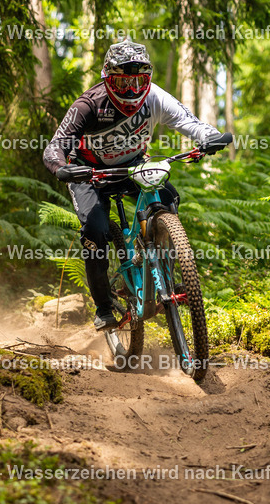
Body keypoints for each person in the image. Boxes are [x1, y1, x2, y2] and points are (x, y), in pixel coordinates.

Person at [43, 39, 227, 330]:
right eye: (123, 82)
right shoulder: (89, 105)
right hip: (89, 172)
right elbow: (56, 145)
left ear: (147, 79)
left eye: (138, 81)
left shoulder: (154, 96)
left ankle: (160, 270)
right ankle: (104, 307)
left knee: (168, 199)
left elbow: (188, 121)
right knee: (96, 232)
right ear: (108, 79)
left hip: (132, 165)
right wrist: (63, 167)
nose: (132, 90)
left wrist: (209, 136)